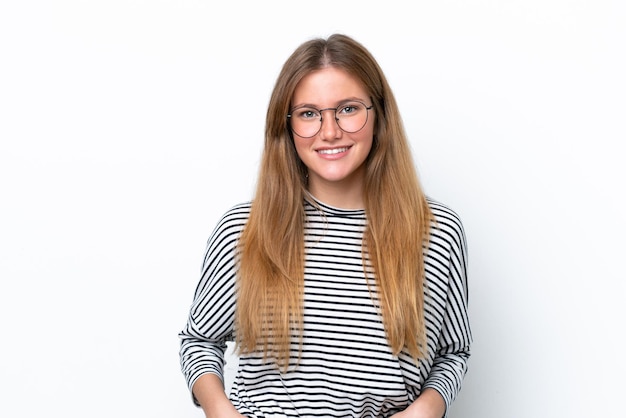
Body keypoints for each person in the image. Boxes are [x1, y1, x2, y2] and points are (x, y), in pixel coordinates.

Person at [179, 33, 472, 418]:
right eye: (308, 113)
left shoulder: (436, 231)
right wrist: (222, 413)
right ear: (287, 127)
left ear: (378, 115)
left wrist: (427, 409)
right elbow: (198, 342)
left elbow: (453, 352)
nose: (330, 131)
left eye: (348, 109)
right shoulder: (244, 230)